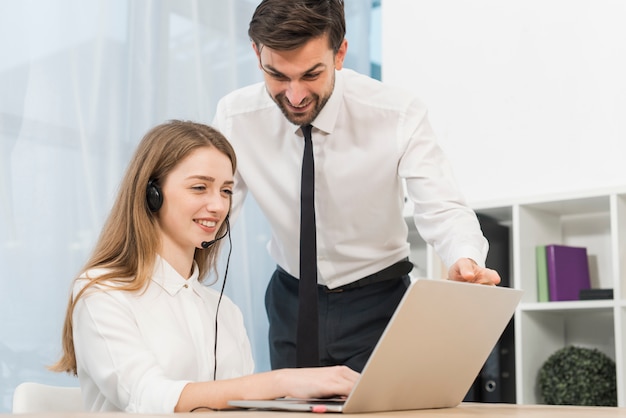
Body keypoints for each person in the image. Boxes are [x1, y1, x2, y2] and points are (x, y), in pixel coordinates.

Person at [212, 0, 501, 373]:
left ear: (340, 53)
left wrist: (466, 258)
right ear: (256, 54)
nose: (295, 96)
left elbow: (442, 207)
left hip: (378, 303)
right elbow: (213, 214)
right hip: (292, 302)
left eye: (311, 74)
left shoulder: (397, 114)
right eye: (278, 76)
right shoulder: (236, 118)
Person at [51, 120, 358, 413]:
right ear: (151, 194)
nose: (218, 205)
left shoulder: (224, 311)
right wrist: (281, 380)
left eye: (226, 190)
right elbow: (147, 397)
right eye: (200, 187)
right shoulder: (103, 293)